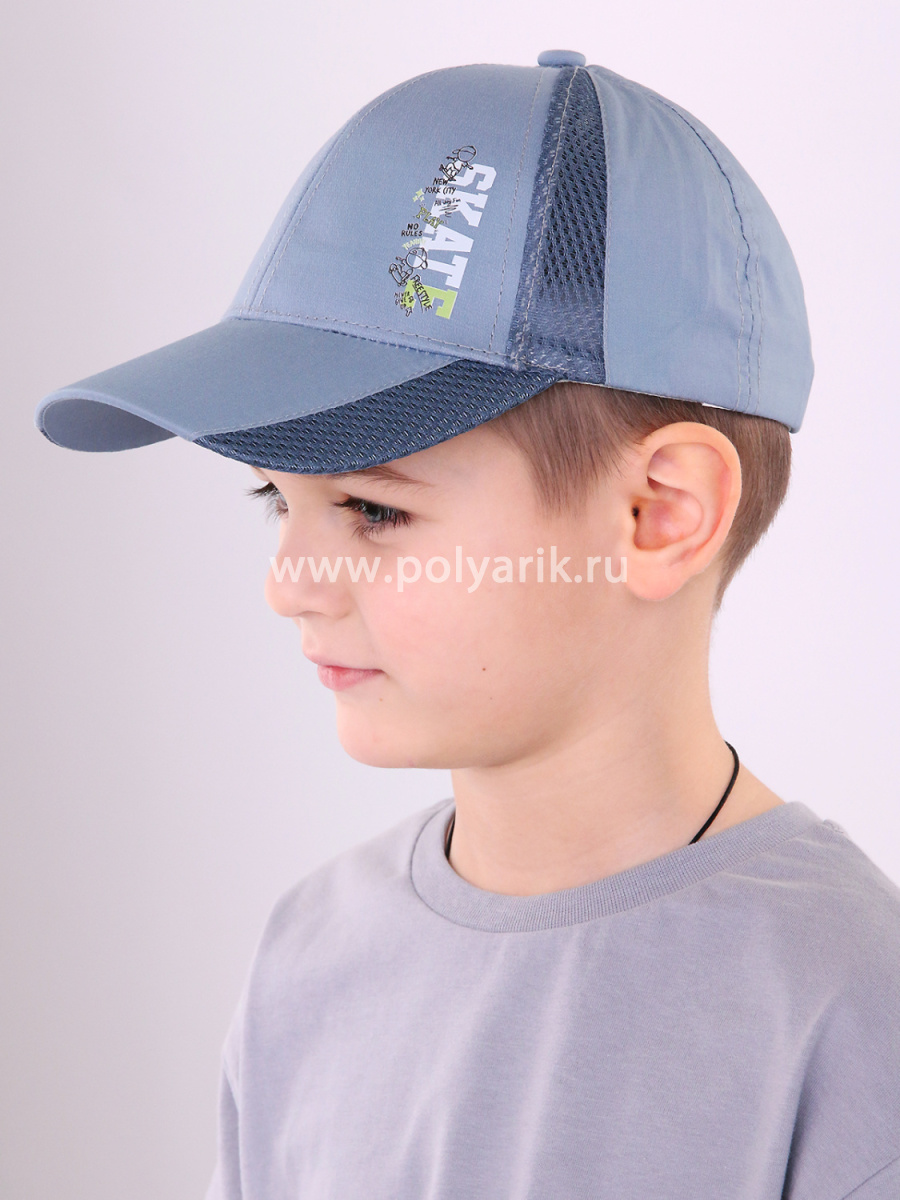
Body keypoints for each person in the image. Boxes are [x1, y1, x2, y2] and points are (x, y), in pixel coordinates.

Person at [35, 50, 900, 1200]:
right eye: (275, 501)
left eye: (373, 509)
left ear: (659, 513)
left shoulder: (849, 1012)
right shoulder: (311, 959)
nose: (288, 585)